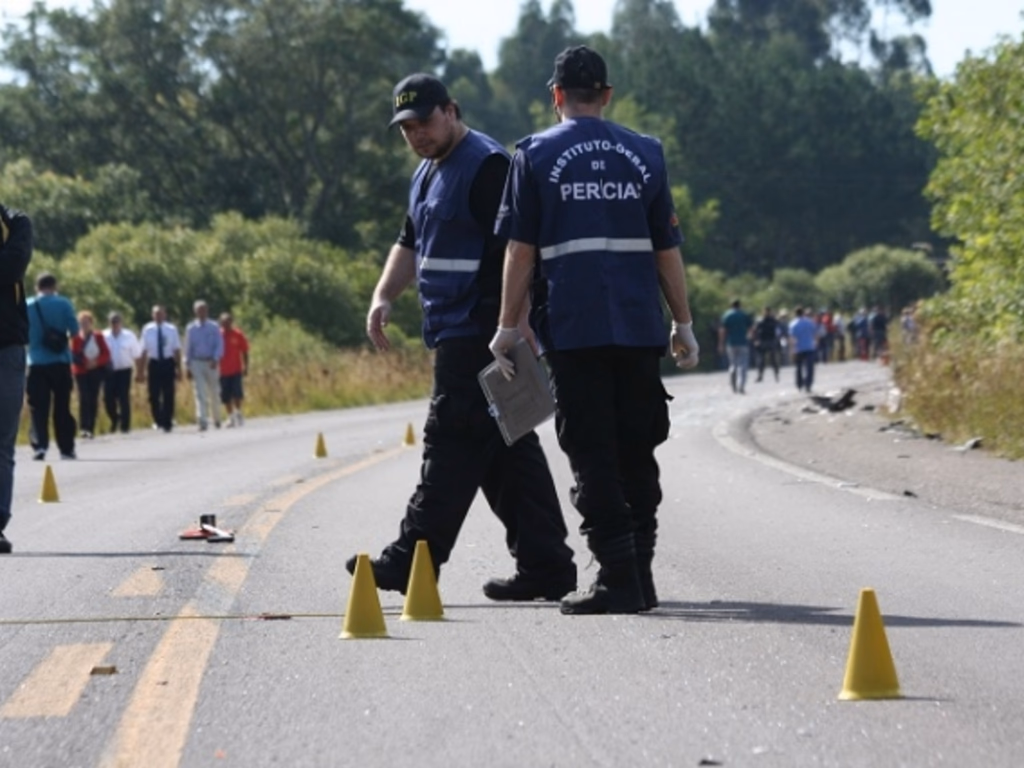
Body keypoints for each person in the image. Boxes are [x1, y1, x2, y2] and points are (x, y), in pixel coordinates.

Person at [346, 72, 577, 601]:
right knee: (505, 452)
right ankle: (547, 566)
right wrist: (383, 297)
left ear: (451, 110)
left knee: (449, 440)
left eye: (424, 122)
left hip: (481, 333)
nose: (417, 135)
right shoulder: (427, 173)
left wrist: (511, 331)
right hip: (452, 330)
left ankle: (411, 561)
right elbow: (409, 241)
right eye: (406, 128)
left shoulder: (488, 165)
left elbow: (518, 253)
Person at [489, 46, 699, 615]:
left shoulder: (532, 155)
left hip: (575, 329)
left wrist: (508, 327)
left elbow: (521, 251)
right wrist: (682, 321)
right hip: (637, 326)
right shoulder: (646, 153)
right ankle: (641, 575)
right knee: (637, 450)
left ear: (556, 96)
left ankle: (617, 577)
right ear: (606, 95)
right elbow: (667, 250)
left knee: (593, 454)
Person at [0, 205, 32, 553]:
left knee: (2, 441)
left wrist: (15, 219)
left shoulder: (14, 224)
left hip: (6, 347)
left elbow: (11, 267)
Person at [26, 272, 79, 460]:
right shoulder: (64, 304)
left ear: (37, 287)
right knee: (62, 406)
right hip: (60, 361)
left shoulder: (28, 305)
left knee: (38, 406)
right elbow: (74, 331)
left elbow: (21, 332)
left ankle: (40, 445)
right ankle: (66, 448)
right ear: (54, 286)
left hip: (36, 361)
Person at [138, 305, 181, 432]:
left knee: (169, 393)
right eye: (156, 314)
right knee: (153, 394)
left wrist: (179, 368)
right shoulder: (147, 329)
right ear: (152, 315)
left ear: (165, 315)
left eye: (161, 314)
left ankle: (168, 421)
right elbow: (143, 350)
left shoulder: (171, 329)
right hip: (154, 363)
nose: (158, 316)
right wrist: (141, 370)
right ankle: (158, 419)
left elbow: (176, 349)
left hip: (168, 362)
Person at [70, 310, 111, 439]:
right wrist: (84, 362)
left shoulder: (98, 336)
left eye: (86, 322)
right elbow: (72, 354)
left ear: (91, 323)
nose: (84, 325)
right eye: (81, 323)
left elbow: (106, 353)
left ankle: (91, 427)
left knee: (93, 398)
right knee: (84, 398)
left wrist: (96, 362)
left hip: (95, 371)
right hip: (81, 371)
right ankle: (83, 427)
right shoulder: (75, 338)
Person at [184, 300, 224, 431]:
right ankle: (202, 420)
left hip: (211, 362)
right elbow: (188, 348)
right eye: (199, 310)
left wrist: (215, 358)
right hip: (197, 362)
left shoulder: (214, 326)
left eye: (204, 310)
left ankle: (217, 418)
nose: (201, 312)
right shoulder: (191, 328)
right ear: (195, 312)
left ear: (207, 311)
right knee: (200, 392)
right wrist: (187, 365)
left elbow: (219, 344)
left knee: (214, 392)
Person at [103, 311, 142, 433]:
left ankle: (125, 425)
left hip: (124, 370)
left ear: (121, 322)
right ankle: (115, 418)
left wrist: (139, 372)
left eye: (117, 321)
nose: (115, 324)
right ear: (109, 323)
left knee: (123, 398)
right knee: (108, 398)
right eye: (112, 321)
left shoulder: (129, 336)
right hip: (108, 371)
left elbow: (137, 355)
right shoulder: (103, 335)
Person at [218, 312, 249, 427]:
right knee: (225, 396)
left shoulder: (238, 334)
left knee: (237, 394)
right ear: (220, 323)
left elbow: (245, 351)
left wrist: (246, 366)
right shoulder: (218, 335)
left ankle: (238, 413)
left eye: (228, 322)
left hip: (236, 369)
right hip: (222, 370)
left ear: (231, 322)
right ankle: (230, 417)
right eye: (223, 322)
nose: (226, 324)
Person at [718, 299, 753, 393]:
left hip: (731, 343)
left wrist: (721, 344)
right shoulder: (744, 315)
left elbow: (722, 331)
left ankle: (733, 386)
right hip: (743, 342)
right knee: (743, 365)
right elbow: (751, 329)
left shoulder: (727, 315)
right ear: (739, 305)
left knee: (733, 364)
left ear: (731, 306)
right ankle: (741, 385)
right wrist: (750, 337)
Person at [788, 306, 817, 392]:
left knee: (798, 367)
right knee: (809, 368)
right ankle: (808, 384)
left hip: (799, 348)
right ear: (803, 313)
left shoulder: (793, 324)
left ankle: (799, 384)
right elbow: (814, 334)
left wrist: (792, 349)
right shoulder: (810, 322)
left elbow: (792, 338)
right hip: (809, 347)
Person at [752, 306, 781, 382]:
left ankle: (776, 375)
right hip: (763, 341)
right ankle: (760, 375)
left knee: (773, 360)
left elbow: (778, 331)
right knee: (761, 360)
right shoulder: (760, 321)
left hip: (771, 340)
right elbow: (755, 331)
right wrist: (756, 340)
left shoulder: (773, 320)